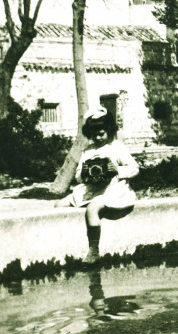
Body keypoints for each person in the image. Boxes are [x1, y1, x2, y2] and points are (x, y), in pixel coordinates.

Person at [56, 107, 139, 263]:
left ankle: (94, 250)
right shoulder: (88, 150)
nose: (98, 138)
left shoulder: (117, 147)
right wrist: (85, 176)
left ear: (108, 130)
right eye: (94, 135)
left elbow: (135, 169)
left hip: (113, 190)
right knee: (59, 204)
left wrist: (117, 170)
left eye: (101, 133)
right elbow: (78, 175)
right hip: (91, 188)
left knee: (93, 208)